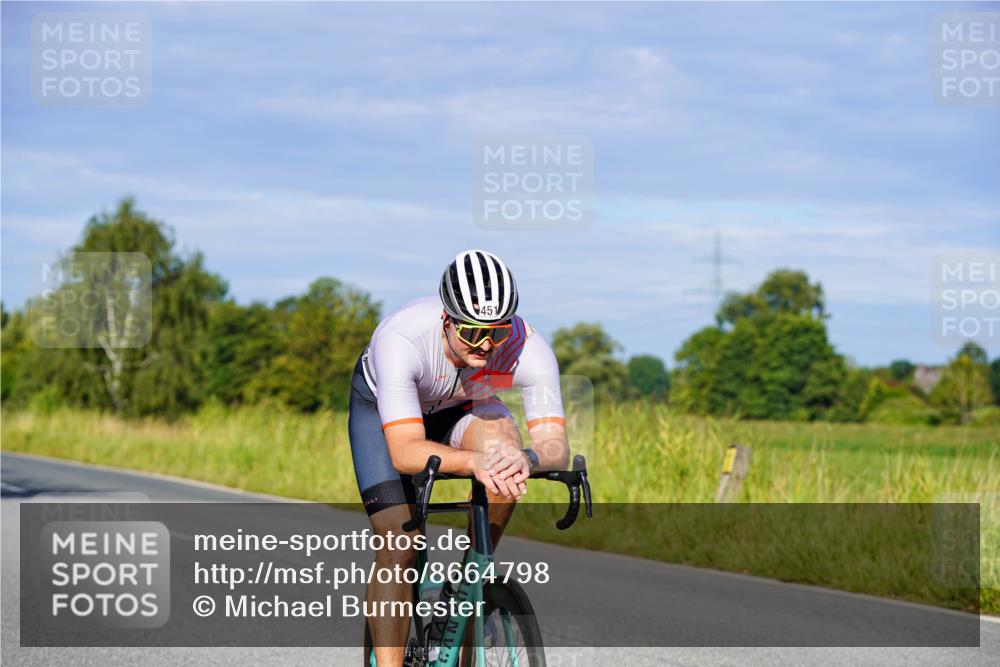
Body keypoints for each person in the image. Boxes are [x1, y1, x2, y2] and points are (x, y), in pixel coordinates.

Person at [349, 249, 569, 665]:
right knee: (401, 540)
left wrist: (526, 458)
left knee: (505, 456)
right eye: (471, 332)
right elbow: (405, 451)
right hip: (385, 414)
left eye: (497, 332)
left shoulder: (528, 347)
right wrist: (472, 463)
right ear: (446, 321)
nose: (486, 344)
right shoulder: (403, 340)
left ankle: (471, 583)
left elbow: (556, 444)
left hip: (459, 406)